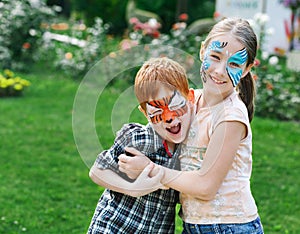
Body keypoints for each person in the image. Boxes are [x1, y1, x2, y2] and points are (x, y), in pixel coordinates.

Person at [119, 18, 264, 233]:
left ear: (246, 69)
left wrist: (150, 170)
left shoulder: (230, 117)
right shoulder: (189, 101)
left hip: (231, 226)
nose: (220, 70)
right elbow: (159, 125)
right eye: (215, 57)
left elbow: (205, 186)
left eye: (234, 64)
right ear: (202, 51)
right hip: (195, 224)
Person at [87, 57, 196, 233]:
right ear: (145, 113)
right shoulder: (138, 139)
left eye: (175, 104)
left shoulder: (189, 150)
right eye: (157, 111)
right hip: (114, 228)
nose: (169, 117)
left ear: (190, 98)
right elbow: (97, 171)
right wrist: (133, 188)